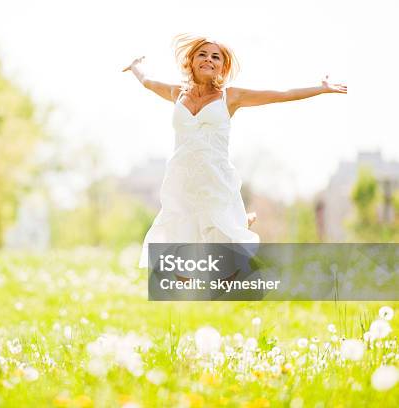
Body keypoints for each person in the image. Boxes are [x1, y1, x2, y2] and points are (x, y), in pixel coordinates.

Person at [123, 34, 347, 269]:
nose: (209, 59)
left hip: (215, 174)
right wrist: (136, 67)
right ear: (191, 61)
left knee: (219, 232)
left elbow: (281, 94)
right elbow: (148, 82)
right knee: (182, 229)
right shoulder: (177, 92)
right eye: (203, 54)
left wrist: (320, 89)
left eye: (215, 57)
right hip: (181, 174)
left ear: (222, 66)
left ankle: (239, 223)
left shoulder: (230, 96)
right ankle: (237, 224)